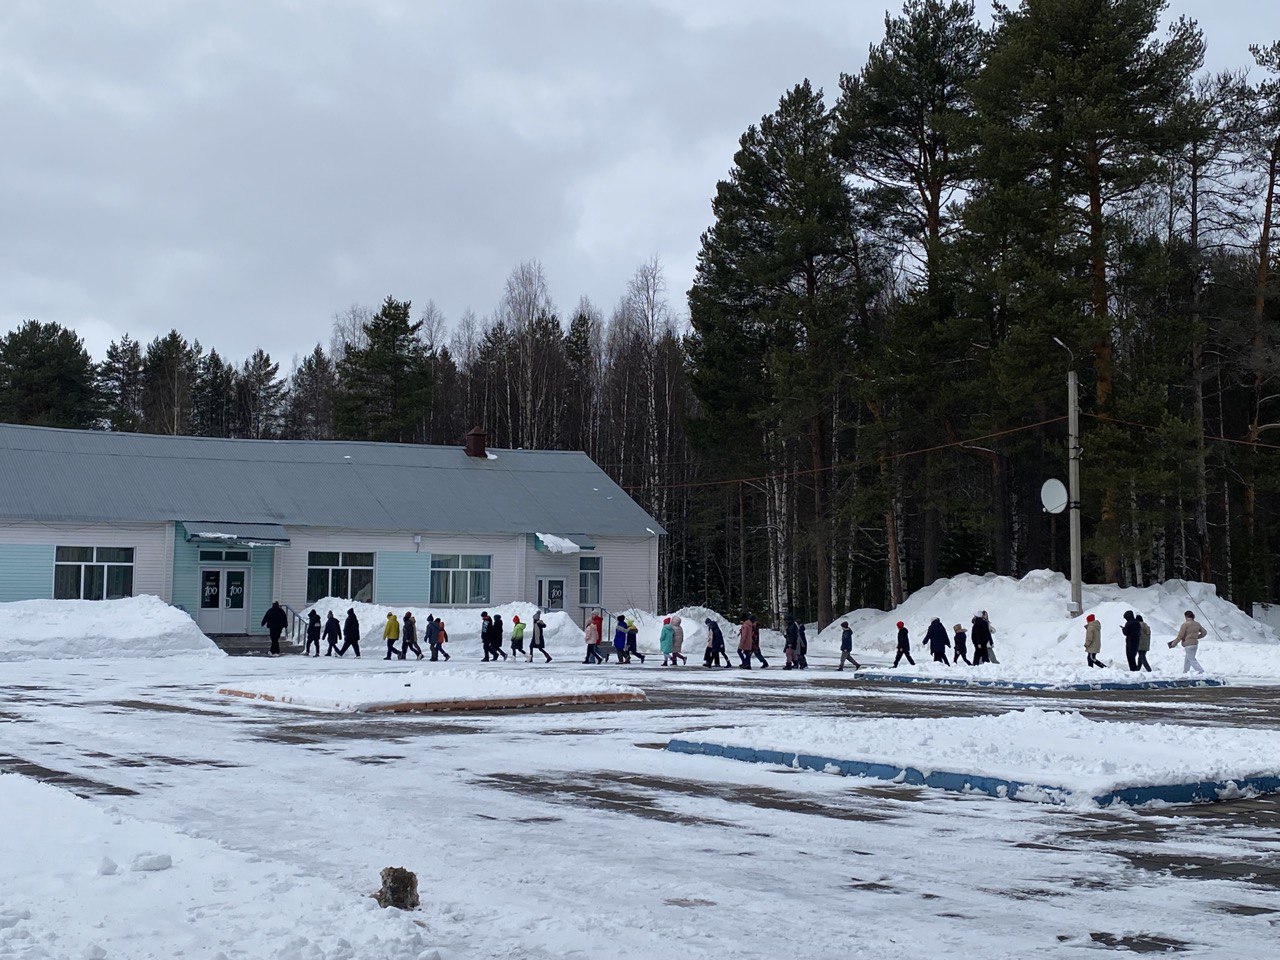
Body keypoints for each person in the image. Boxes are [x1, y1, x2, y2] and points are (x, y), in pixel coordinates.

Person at [1169, 609, 1207, 674]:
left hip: (1188, 644)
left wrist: (1173, 643)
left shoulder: (1185, 625)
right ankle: (1185, 672)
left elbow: (1180, 636)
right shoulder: (1197, 624)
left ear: (1186, 616)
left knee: (1191, 659)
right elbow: (1204, 632)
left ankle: (1201, 671)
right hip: (1195, 644)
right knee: (1188, 658)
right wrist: (1196, 637)